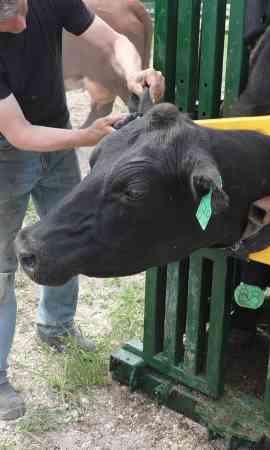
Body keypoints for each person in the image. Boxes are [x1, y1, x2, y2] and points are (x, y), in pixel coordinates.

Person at [0, 0, 165, 420]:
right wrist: (82, 137)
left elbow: (112, 40)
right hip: (7, 153)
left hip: (53, 136)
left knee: (70, 235)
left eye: (20, 9)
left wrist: (133, 72)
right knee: (1, 268)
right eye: (5, 21)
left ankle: (56, 326)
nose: (20, 24)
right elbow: (19, 133)